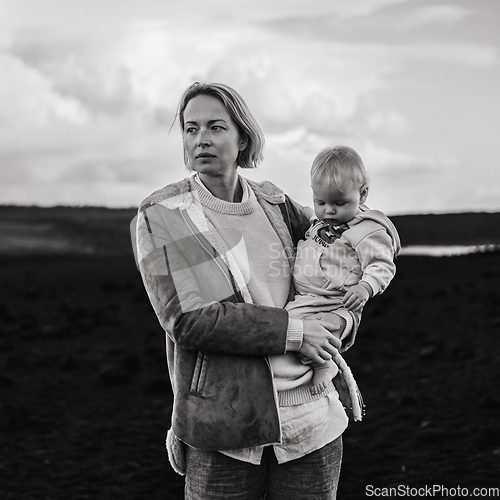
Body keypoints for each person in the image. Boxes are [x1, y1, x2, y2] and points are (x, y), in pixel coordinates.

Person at [132, 82, 362, 500]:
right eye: (191, 128)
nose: (201, 138)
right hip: (225, 432)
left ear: (243, 137)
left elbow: (341, 270)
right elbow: (188, 319)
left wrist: (340, 323)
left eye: (216, 127)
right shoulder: (165, 215)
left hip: (313, 426)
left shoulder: (277, 206)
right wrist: (294, 331)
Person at [285, 146, 401, 396]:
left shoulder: (368, 230)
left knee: (296, 328)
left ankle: (324, 364)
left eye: (340, 203)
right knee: (288, 324)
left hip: (334, 301)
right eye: (321, 202)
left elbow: (382, 265)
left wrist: (365, 286)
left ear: (363, 193)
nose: (329, 211)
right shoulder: (324, 220)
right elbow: (308, 216)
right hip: (309, 296)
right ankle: (321, 362)